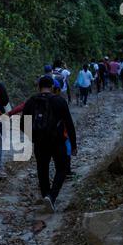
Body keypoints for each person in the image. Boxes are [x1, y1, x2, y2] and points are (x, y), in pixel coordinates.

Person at [22, 76, 77, 213]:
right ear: (52, 87)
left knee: (42, 169)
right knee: (62, 168)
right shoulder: (59, 101)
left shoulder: (31, 101)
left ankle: (46, 195)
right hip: (58, 141)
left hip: (40, 142)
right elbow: (69, 124)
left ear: (38, 87)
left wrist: (32, 137)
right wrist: (74, 144)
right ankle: (52, 197)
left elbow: (23, 123)